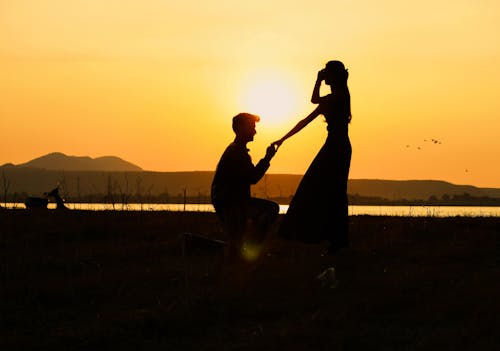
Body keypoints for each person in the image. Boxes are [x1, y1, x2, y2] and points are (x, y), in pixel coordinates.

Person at [273, 60, 352, 254]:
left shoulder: (339, 96)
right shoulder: (334, 97)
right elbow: (305, 120)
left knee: (333, 191)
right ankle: (331, 237)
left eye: (327, 73)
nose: (324, 75)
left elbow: (314, 99)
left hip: (338, 147)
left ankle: (337, 239)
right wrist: (283, 138)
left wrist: (317, 80)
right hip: (334, 145)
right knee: (321, 188)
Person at [211, 113, 280, 260]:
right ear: (242, 128)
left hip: (229, 200)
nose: (255, 131)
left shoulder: (235, 150)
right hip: (231, 203)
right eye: (252, 127)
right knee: (271, 210)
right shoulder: (237, 153)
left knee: (236, 242)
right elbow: (253, 177)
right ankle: (249, 250)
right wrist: (268, 158)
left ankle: (242, 250)